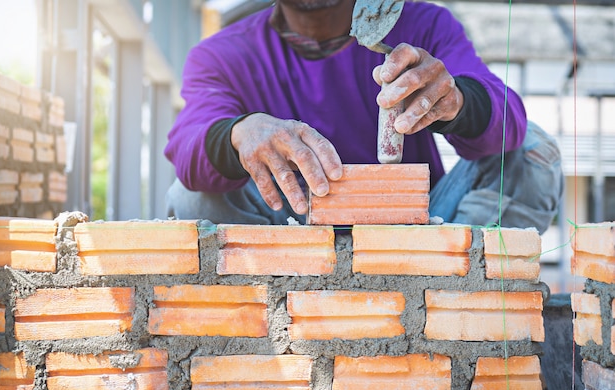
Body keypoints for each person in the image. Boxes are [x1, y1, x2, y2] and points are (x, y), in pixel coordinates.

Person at [164, 0, 563, 234]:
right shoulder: (223, 53)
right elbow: (188, 148)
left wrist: (452, 101)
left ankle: (457, 295)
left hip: (420, 233)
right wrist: (240, 133)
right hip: (291, 243)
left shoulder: (421, 23)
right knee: (192, 195)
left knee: (531, 152)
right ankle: (275, 315)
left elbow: (509, 119)